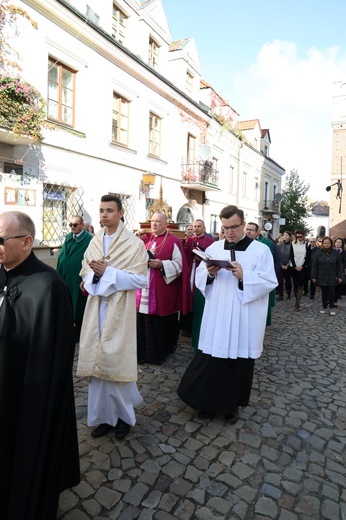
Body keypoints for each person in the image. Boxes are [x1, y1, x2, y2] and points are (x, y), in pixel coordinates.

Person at [0, 211, 80, 520]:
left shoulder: (49, 287)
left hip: (26, 395)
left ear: (26, 242)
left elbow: (52, 359)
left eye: (2, 240)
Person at [178, 205, 277, 423]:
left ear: (243, 224)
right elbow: (200, 278)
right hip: (218, 316)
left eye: (233, 227)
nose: (229, 232)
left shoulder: (260, 251)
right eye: (225, 228)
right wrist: (210, 274)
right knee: (212, 359)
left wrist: (245, 276)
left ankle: (230, 406)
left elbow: (270, 282)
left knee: (237, 364)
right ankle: (205, 403)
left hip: (244, 316)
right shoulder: (214, 248)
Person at [77, 194, 148, 439]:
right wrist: (93, 277)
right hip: (96, 307)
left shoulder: (133, 244)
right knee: (98, 370)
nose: (104, 215)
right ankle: (104, 418)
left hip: (119, 310)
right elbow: (85, 269)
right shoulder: (95, 240)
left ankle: (123, 419)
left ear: (120, 214)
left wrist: (109, 273)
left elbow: (141, 278)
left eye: (109, 210)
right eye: (101, 210)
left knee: (116, 366)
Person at [136, 212, 191, 364]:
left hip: (162, 290)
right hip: (143, 288)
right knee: (142, 322)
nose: (154, 224)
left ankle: (158, 353)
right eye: (152, 221)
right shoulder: (145, 240)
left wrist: (162, 264)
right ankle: (142, 354)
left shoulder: (173, 241)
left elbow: (181, 265)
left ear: (165, 224)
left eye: (158, 222)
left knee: (160, 324)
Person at [57, 215, 93, 343]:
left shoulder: (89, 239)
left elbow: (90, 257)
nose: (72, 227)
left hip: (77, 278)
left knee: (78, 304)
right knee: (66, 303)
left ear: (82, 225)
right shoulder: (68, 237)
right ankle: (66, 329)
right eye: (70, 224)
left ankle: (79, 333)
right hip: (66, 276)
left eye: (75, 225)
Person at [182, 219, 214, 342]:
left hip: (202, 271)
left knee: (197, 296)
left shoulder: (211, 242)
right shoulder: (188, 240)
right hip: (190, 270)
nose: (196, 228)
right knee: (188, 296)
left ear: (204, 227)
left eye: (199, 226)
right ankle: (186, 327)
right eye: (194, 226)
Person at [245, 222, 276, 325]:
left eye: (251, 230)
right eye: (247, 229)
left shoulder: (264, 244)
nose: (248, 231)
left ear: (257, 232)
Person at [311, 236, 343, 316]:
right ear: (322, 244)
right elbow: (314, 265)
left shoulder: (336, 253)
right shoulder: (318, 253)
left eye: (328, 243)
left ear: (331, 244)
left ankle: (331, 307)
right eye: (325, 243)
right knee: (324, 292)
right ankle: (324, 306)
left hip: (332, 276)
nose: (326, 245)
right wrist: (313, 276)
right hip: (321, 275)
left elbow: (339, 265)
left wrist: (339, 276)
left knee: (331, 292)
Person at [290, 229, 311, 311]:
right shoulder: (293, 244)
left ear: (303, 236)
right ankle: (296, 300)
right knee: (295, 285)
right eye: (297, 237)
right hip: (294, 267)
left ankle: (297, 303)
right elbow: (291, 256)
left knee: (300, 285)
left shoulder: (307, 244)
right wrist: (295, 266)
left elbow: (308, 257)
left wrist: (302, 266)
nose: (299, 238)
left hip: (303, 268)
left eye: (300, 237)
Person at [277, 231, 293, 300]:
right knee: (280, 281)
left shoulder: (292, 246)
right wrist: (281, 265)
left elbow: (292, 257)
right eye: (284, 235)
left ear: (290, 237)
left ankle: (288, 293)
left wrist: (287, 265)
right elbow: (278, 257)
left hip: (288, 267)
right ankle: (281, 295)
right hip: (281, 266)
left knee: (288, 281)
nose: (285, 236)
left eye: (287, 235)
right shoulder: (279, 246)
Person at [334, 238, 346, 302]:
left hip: (339, 271)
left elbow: (344, 262)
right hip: (331, 271)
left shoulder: (344, 252)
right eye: (337, 242)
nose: (338, 244)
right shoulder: (331, 250)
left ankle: (335, 299)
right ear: (334, 243)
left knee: (338, 285)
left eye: (339, 242)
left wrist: (339, 267)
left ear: (342, 244)